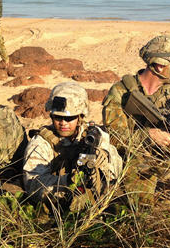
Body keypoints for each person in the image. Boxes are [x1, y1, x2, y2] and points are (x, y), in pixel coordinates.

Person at [102, 35, 170, 205]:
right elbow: (114, 136)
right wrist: (148, 136)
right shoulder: (121, 92)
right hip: (134, 163)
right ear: (160, 66)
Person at [23, 82, 122, 211]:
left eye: (69, 119)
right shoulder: (41, 143)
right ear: (51, 116)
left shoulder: (95, 136)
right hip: (58, 207)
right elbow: (33, 185)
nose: (63, 123)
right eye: (58, 117)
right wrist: (67, 181)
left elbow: (117, 171)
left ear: (80, 117)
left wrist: (103, 162)